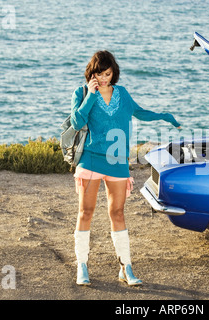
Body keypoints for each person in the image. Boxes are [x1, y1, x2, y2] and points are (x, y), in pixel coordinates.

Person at [70, 50, 181, 286]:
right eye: (99, 74)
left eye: (108, 74)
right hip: (90, 159)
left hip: (117, 162)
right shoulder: (81, 93)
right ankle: (82, 265)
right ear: (92, 74)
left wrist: (164, 116)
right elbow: (77, 122)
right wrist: (90, 95)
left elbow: (139, 112)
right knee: (85, 212)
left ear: (113, 73)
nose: (103, 79)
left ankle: (126, 267)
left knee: (117, 213)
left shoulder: (121, 93)